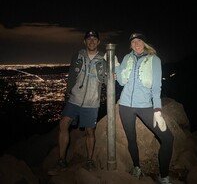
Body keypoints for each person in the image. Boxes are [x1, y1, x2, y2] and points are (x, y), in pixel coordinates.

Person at [115, 32, 174, 184]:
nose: (136, 43)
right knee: (131, 139)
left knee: (168, 138)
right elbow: (121, 81)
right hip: (125, 105)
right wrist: (117, 67)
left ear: (144, 43)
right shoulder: (127, 58)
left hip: (145, 106)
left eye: (139, 40)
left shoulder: (154, 60)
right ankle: (136, 167)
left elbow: (156, 88)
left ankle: (163, 176)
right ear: (131, 45)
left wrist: (157, 110)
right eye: (133, 41)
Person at [48, 30, 107, 176]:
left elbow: (106, 80)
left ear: (98, 42)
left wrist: (111, 75)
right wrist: (67, 94)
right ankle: (61, 160)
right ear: (84, 41)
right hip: (75, 99)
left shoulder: (104, 59)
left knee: (90, 131)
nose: (92, 41)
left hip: (91, 102)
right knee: (63, 123)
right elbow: (71, 76)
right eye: (89, 39)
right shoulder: (78, 56)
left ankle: (89, 160)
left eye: (94, 39)